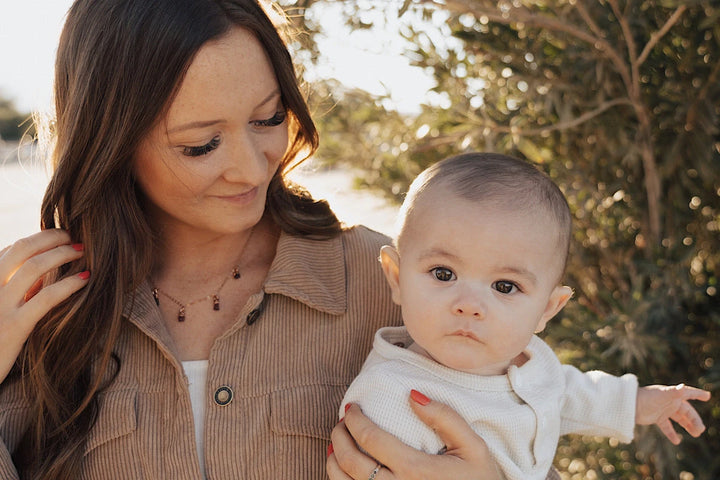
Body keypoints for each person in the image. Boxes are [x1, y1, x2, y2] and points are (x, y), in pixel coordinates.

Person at [0, 1, 544, 479]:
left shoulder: (394, 284)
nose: (249, 168)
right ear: (111, 141)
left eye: (269, 118)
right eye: (202, 145)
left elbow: (532, 430)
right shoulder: (34, 311)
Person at [339, 153, 711, 480]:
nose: (469, 304)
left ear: (547, 309)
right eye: (443, 273)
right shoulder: (391, 396)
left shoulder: (532, 363)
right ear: (396, 277)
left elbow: (570, 392)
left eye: (504, 286)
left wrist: (640, 402)